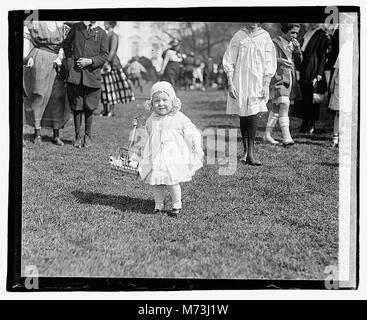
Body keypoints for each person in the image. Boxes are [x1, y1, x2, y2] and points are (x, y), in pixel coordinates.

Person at [137, 81, 203, 217]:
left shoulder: (179, 118)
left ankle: (176, 203)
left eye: (164, 100)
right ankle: (158, 204)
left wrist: (196, 145)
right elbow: (146, 136)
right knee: (156, 183)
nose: (160, 104)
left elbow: (192, 131)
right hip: (156, 157)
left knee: (172, 181)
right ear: (151, 103)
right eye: (156, 101)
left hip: (173, 158)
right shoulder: (151, 119)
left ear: (172, 101)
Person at [223, 22, 277, 165]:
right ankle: (246, 151)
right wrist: (230, 82)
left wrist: (266, 83)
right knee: (243, 114)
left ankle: (251, 154)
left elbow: (269, 61)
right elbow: (229, 59)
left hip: (257, 80)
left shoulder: (265, 36)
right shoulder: (239, 35)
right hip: (240, 79)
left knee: (253, 113)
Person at [23, 21, 70, 145]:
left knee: (57, 96)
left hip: (57, 61)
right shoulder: (38, 22)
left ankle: (56, 134)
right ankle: (37, 132)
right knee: (39, 94)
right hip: (40, 59)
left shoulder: (62, 25)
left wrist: (62, 55)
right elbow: (25, 33)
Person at [63, 21, 108, 148]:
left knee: (90, 106)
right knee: (77, 106)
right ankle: (77, 135)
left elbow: (104, 54)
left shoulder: (102, 33)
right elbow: (66, 44)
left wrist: (90, 61)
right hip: (76, 74)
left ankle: (87, 136)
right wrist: (71, 62)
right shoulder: (77, 28)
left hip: (92, 75)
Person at [263, 23, 303, 146]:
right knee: (284, 104)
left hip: (290, 79)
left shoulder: (294, 44)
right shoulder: (275, 42)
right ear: (285, 31)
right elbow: (266, 59)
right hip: (278, 78)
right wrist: (279, 61)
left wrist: (297, 51)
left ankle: (267, 135)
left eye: (297, 33)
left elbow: (299, 62)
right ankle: (287, 137)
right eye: (292, 33)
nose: (295, 35)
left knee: (277, 107)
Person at [297, 23, 329, 135]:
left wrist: (319, 73)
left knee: (312, 97)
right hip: (305, 66)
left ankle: (312, 125)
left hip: (314, 67)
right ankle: (304, 123)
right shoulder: (307, 33)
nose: (312, 23)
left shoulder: (321, 34)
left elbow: (323, 55)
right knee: (305, 96)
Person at [100, 21, 134, 117]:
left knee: (111, 89)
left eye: (106, 23)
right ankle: (105, 110)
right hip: (104, 63)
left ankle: (111, 111)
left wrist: (107, 62)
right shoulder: (105, 35)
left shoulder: (114, 36)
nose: (104, 25)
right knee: (104, 88)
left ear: (110, 24)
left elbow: (113, 51)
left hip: (111, 64)